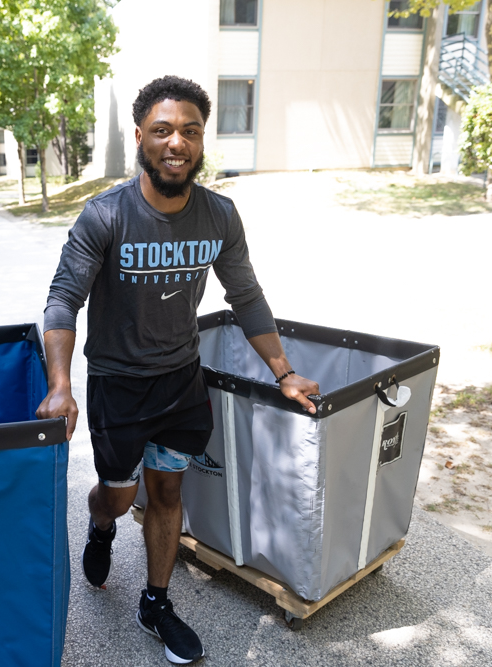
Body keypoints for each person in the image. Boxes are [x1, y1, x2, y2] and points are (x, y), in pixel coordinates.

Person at [36, 75, 319, 665]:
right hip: (117, 385)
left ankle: (156, 601)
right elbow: (64, 300)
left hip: (181, 382)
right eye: (163, 130)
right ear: (140, 136)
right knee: (120, 496)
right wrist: (60, 387)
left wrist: (283, 371)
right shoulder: (105, 216)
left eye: (190, 131)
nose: (177, 142)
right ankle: (101, 525)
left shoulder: (219, 215)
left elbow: (246, 296)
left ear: (201, 141)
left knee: (167, 490)